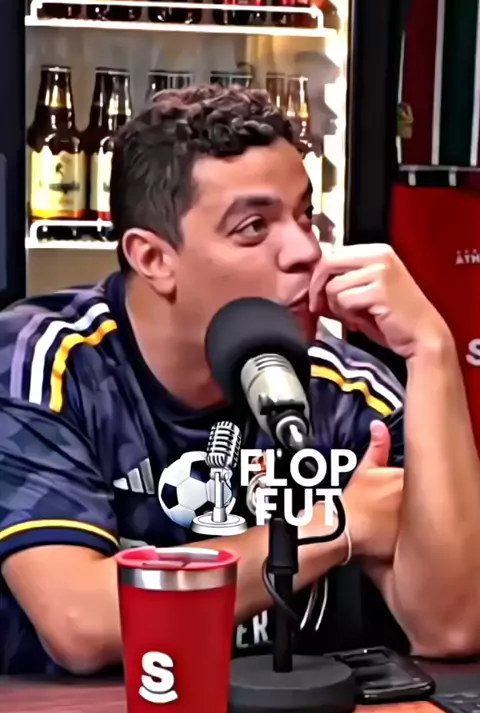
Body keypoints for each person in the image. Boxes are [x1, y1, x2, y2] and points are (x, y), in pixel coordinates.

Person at [1, 85, 479, 676]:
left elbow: (452, 626)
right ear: (153, 259)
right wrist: (336, 524)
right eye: (254, 227)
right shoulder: (44, 363)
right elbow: (80, 622)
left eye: (304, 216)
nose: (305, 251)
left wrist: (431, 352)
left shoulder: (347, 388)